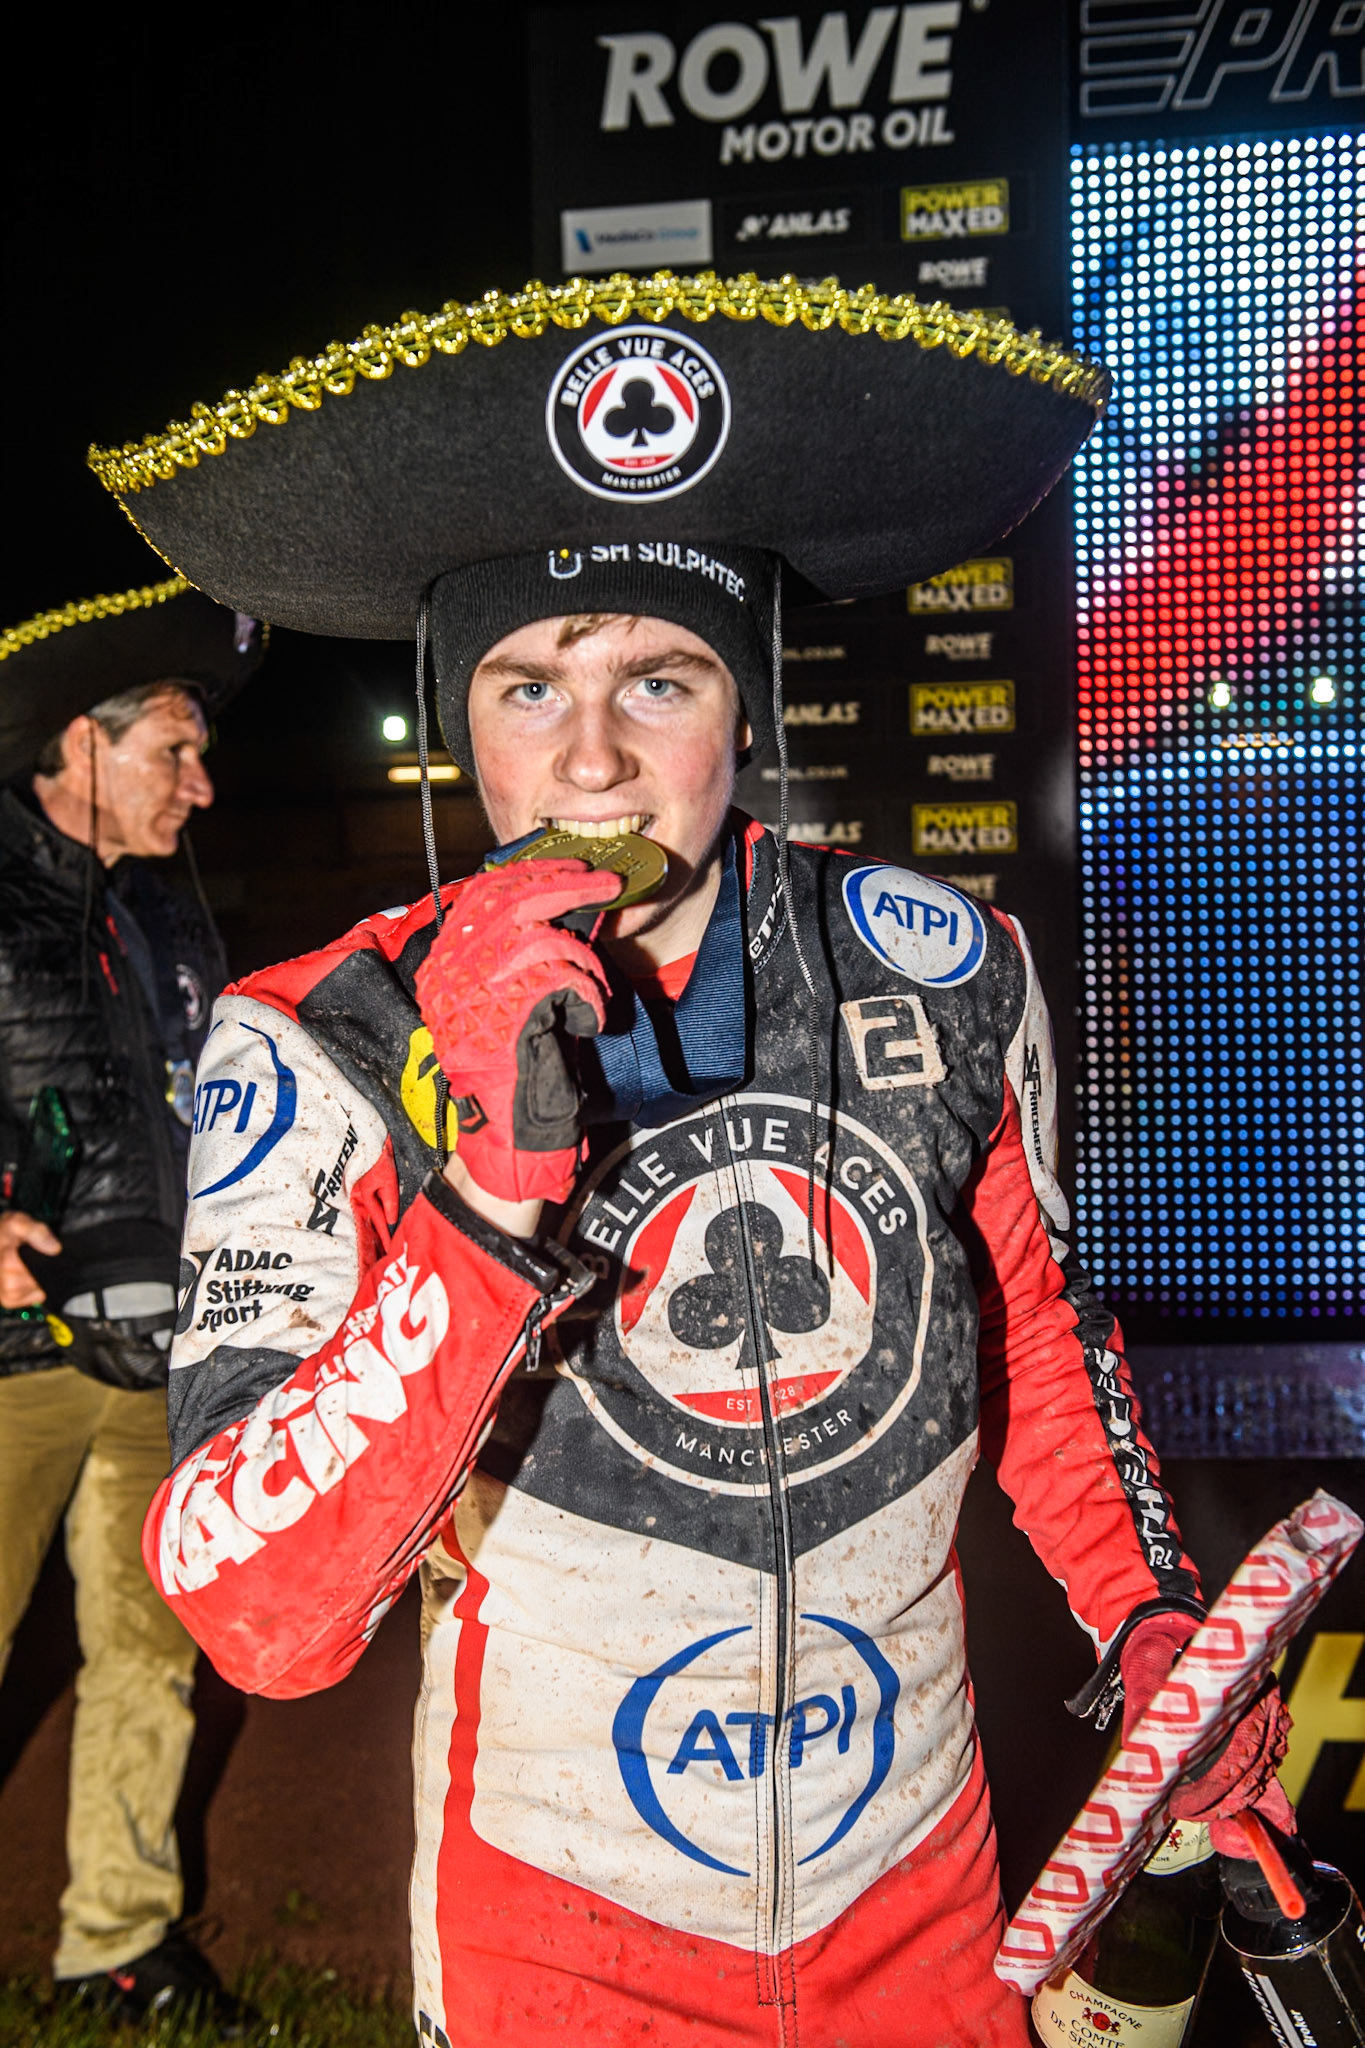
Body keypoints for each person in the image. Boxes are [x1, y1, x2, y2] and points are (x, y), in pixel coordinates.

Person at [93, 273, 1293, 2045]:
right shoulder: (317, 1033)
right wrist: (490, 1197)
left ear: (749, 709)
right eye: (523, 686)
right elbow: (257, 1618)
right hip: (559, 1915)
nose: (593, 756)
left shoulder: (939, 965)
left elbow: (1036, 1337)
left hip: (919, 1880)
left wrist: (1149, 1632)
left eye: (660, 676)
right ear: (456, 722)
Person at [0, 575, 261, 2033]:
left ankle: (118, 1940)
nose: (202, 785)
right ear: (79, 748)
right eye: (174, 748)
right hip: (7, 1363)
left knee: (151, 1662)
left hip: (157, 1358)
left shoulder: (166, 915)